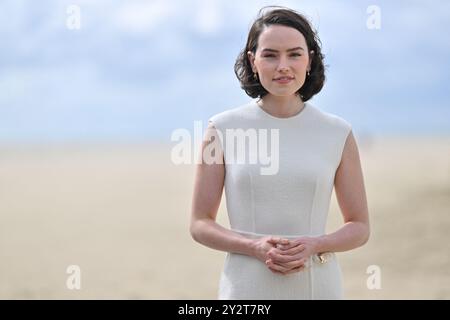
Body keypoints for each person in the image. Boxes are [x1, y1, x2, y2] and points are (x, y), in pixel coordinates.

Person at [190, 6, 370, 299]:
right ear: (253, 60)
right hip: (245, 288)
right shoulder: (221, 128)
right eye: (270, 54)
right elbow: (200, 223)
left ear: (309, 60)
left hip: (317, 286)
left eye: (294, 54)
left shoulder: (338, 132)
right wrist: (255, 247)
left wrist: (316, 244)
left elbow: (359, 226)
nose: (283, 66)